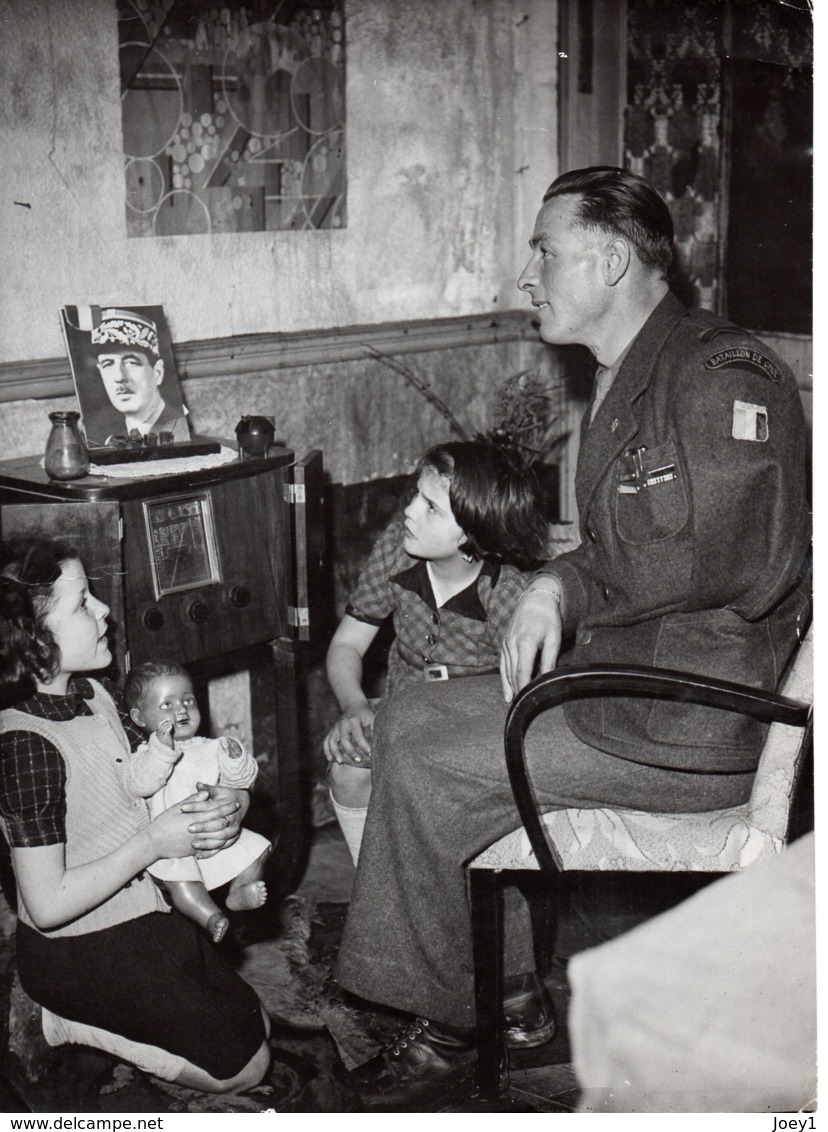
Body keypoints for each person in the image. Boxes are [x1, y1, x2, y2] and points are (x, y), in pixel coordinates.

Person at [333, 167, 812, 1110]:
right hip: (635, 686)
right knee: (413, 711)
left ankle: (449, 1031)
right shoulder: (635, 371)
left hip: (686, 721)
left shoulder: (721, 373)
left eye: (545, 250)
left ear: (611, 258)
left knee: (427, 761)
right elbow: (645, 544)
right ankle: (507, 1002)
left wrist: (563, 579)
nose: (528, 276)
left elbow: (721, 551)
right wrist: (564, 577)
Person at [0, 537, 270, 1092]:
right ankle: (59, 1018)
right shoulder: (24, 744)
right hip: (75, 943)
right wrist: (153, 843)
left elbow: (169, 776)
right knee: (246, 1069)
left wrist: (230, 803)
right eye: (81, 604)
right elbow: (46, 906)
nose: (103, 612)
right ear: (30, 637)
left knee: (256, 1024)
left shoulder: (98, 694)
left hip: (145, 904)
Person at [323, 439, 548, 867]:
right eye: (416, 497)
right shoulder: (397, 550)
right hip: (401, 707)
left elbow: (518, 707)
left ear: (473, 534)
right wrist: (354, 706)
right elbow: (347, 644)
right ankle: (370, 880)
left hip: (474, 725)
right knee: (348, 769)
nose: (408, 512)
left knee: (425, 795)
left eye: (431, 508)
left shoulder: (507, 597)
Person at [125, 660, 271, 945]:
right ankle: (210, 916)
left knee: (257, 849)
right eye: (167, 705)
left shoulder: (211, 746)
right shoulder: (146, 755)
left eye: (188, 700)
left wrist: (235, 757)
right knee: (181, 882)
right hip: (172, 846)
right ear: (140, 718)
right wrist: (162, 750)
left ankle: (239, 891)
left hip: (217, 831)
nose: (181, 709)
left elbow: (242, 780)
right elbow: (140, 784)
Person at [89, 308, 189, 444]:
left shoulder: (180, 432)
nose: (119, 377)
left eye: (131, 363)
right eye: (108, 364)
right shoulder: (111, 441)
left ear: (158, 373)